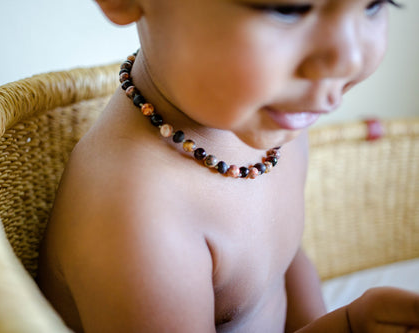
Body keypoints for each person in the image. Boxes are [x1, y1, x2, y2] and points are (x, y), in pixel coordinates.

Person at [37, 0, 419, 332]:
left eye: (374, 3)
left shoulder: (273, 122)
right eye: (287, 8)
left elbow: (282, 260)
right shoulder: (137, 217)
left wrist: (335, 323)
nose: (348, 57)